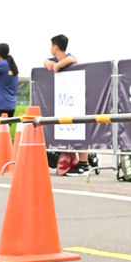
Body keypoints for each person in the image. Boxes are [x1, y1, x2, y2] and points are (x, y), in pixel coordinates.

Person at [43, 34, 90, 174]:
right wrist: (48, 63)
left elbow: (72, 59)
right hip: (62, 102)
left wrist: (58, 66)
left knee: (79, 130)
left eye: (51, 45)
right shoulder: (54, 59)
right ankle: (78, 158)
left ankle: (84, 163)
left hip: (75, 101)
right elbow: (45, 61)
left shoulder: (68, 59)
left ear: (55, 47)